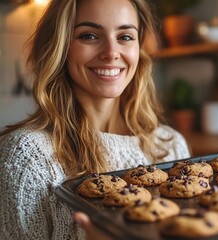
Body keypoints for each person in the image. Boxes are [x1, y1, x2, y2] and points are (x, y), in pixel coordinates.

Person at [0, 0, 191, 239]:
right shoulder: (28, 156)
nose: (111, 52)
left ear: (138, 48)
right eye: (89, 36)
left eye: (125, 36)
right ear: (60, 46)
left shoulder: (170, 145)